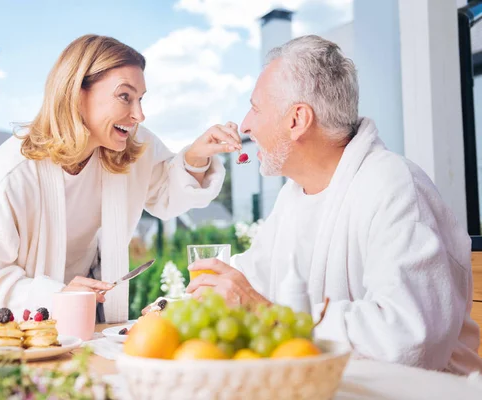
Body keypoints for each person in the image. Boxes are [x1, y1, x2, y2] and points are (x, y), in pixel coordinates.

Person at [186, 35, 482, 374]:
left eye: (255, 107)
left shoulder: (394, 186)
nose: (245, 124)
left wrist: (266, 314)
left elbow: (407, 338)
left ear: (297, 120)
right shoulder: (294, 197)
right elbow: (252, 280)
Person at [0, 34, 242, 324]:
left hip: (94, 323)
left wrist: (195, 157)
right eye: (125, 96)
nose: (139, 115)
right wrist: (57, 296)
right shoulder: (13, 172)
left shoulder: (133, 144)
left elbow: (166, 195)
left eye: (140, 99)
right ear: (77, 92)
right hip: (22, 335)